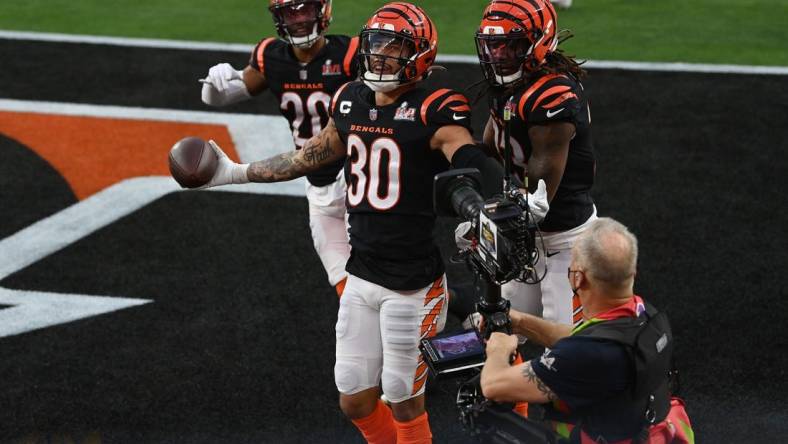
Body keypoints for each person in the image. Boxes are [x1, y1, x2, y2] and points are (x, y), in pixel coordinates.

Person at [184, 3, 547, 442]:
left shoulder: (436, 106)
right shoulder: (351, 99)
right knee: (354, 398)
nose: (380, 56)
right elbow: (307, 156)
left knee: (402, 397)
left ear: (420, 55)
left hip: (411, 284)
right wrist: (234, 173)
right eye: (376, 46)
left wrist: (501, 199)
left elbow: (466, 154)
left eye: (394, 48)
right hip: (362, 275)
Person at [480, 218, 694, 443]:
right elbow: (583, 338)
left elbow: (493, 385)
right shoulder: (644, 316)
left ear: (578, 278)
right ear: (633, 272)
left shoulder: (588, 356)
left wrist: (498, 349)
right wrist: (520, 321)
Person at [199, 0, 358, 296]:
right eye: (289, 13)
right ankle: (457, 303)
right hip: (314, 179)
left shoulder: (349, 54)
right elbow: (216, 99)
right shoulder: (270, 57)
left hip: (355, 176)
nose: (298, 20)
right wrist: (214, 81)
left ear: (323, 10)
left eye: (304, 10)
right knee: (344, 283)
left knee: (374, 281)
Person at [464, 0, 597, 329]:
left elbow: (539, 197)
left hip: (565, 236)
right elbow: (494, 147)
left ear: (540, 41)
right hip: (528, 230)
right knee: (501, 328)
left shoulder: (552, 94)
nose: (499, 54)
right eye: (493, 45)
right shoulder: (508, 83)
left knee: (568, 346)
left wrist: (487, 221)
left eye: (512, 45)